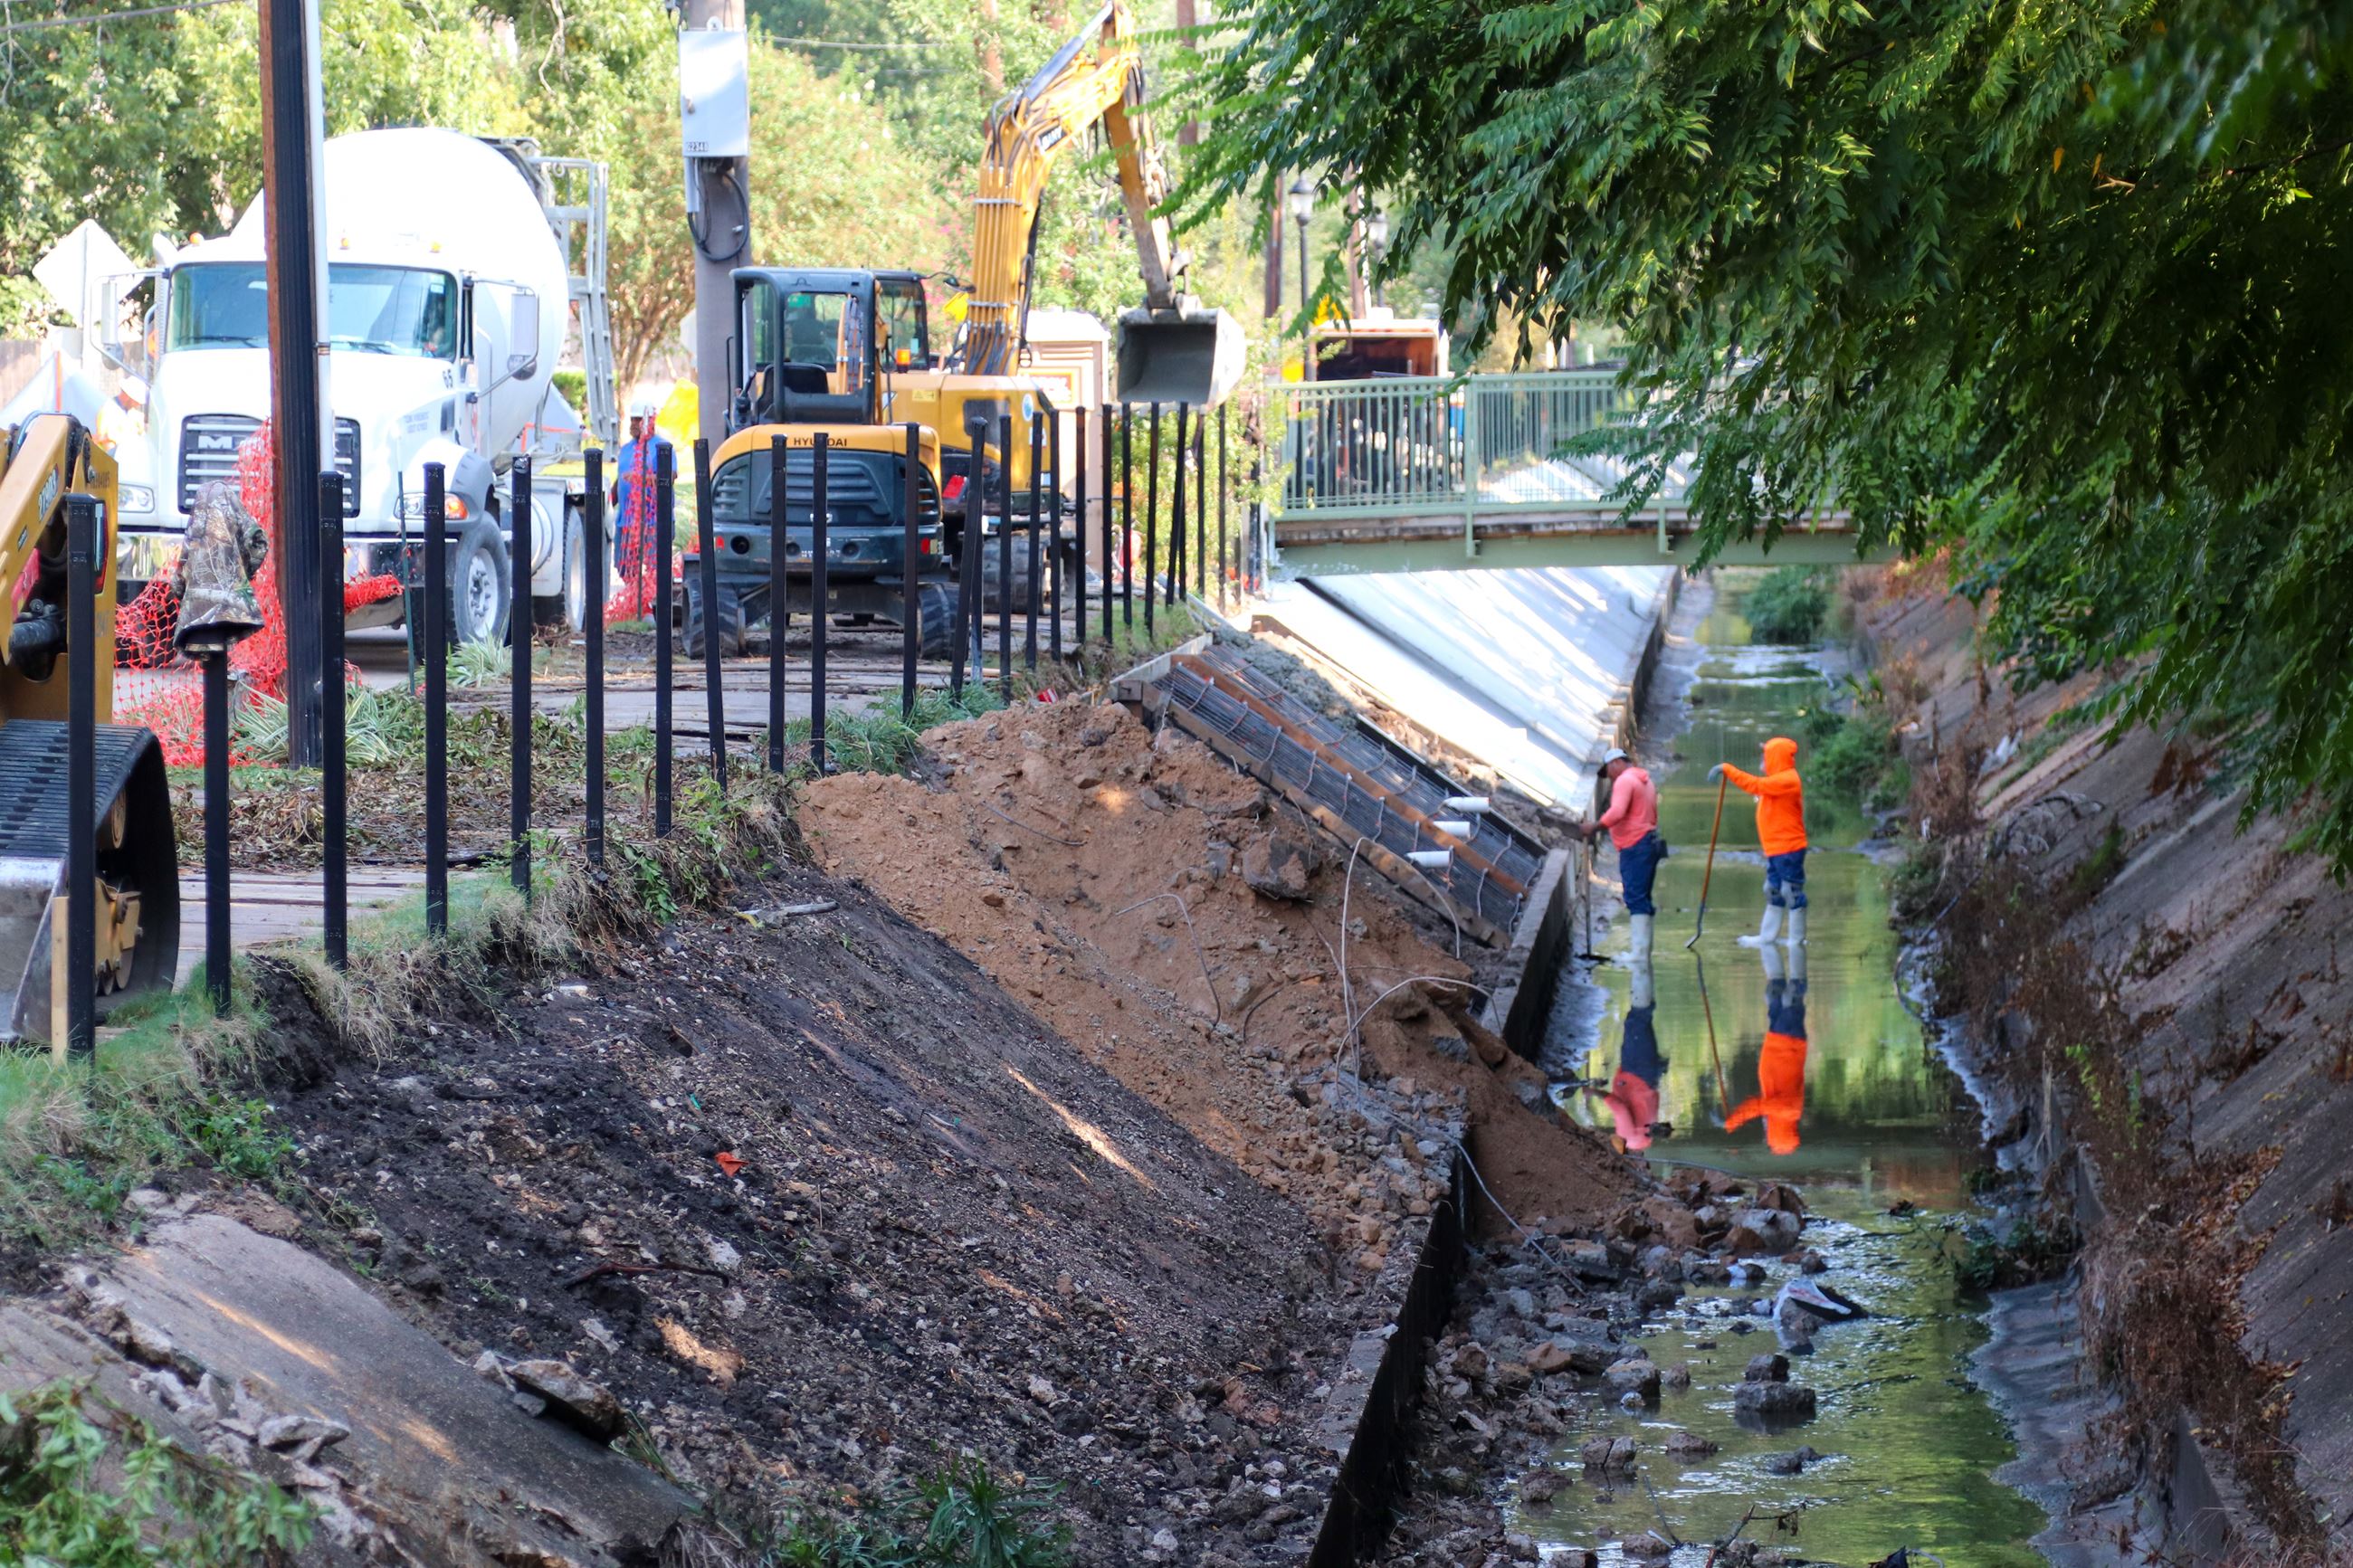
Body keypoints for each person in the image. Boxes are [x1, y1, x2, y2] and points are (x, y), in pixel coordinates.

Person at [1710, 735, 1807, 947]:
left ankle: (1797, 940)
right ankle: (1767, 937)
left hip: (1789, 848)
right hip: (1775, 849)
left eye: (1767, 755)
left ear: (1776, 757)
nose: (1763, 760)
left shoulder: (1787, 780)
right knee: (1772, 889)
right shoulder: (1778, 780)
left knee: (1790, 891)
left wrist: (1728, 769)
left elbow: (1754, 785)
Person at [1574, 746, 1663, 963]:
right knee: (1643, 897)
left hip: (1635, 845)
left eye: (1609, 772)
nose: (1610, 778)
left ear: (1615, 763)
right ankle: (1643, 953)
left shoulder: (1624, 781)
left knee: (1634, 897)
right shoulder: (1644, 780)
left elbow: (1617, 812)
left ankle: (1639, 956)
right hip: (1649, 842)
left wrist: (1594, 826)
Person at [1723, 942, 1808, 1155]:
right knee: (1791, 997)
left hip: (1775, 1042)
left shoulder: (1783, 1113)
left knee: (1773, 993)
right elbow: (1758, 1106)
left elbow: (1762, 1106)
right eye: (1769, 1133)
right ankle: (1797, 952)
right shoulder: (1789, 1110)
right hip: (1788, 1045)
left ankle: (1770, 948)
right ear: (1777, 1132)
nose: (1766, 1128)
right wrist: (1735, 1120)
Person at [1596, 959, 1667, 1154]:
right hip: (1637, 1072)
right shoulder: (1628, 1137)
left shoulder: (1645, 1137)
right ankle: (1642, 965)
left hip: (1647, 1075)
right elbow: (1618, 1108)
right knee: (1636, 1021)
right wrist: (1594, 1093)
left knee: (1642, 1020)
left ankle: (1645, 970)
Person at [610, 398, 672, 616]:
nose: (634, 424)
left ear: (650, 421)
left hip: (653, 520)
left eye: (638, 420)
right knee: (623, 564)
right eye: (632, 419)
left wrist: (639, 478)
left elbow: (669, 476)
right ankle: (639, 604)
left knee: (654, 566)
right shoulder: (626, 449)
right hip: (626, 520)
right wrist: (609, 503)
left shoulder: (661, 448)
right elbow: (620, 479)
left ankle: (653, 609)